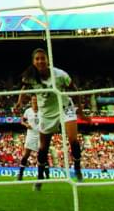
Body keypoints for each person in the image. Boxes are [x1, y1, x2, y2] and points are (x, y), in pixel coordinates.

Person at [15, 48, 85, 189]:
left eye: (43, 58)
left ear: (47, 60)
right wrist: (19, 101)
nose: (40, 61)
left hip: (64, 107)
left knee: (73, 140)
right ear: (33, 62)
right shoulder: (30, 77)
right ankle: (40, 177)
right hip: (46, 113)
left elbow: (74, 89)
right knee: (43, 148)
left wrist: (80, 111)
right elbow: (23, 87)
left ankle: (77, 168)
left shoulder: (59, 74)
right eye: (37, 59)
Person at [16, 103, 40, 180]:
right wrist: (26, 125)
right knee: (26, 154)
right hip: (31, 135)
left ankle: (43, 174)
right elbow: (22, 121)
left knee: (42, 155)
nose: (35, 102)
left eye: (36, 100)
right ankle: (20, 174)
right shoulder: (28, 111)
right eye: (33, 100)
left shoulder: (42, 110)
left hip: (40, 134)